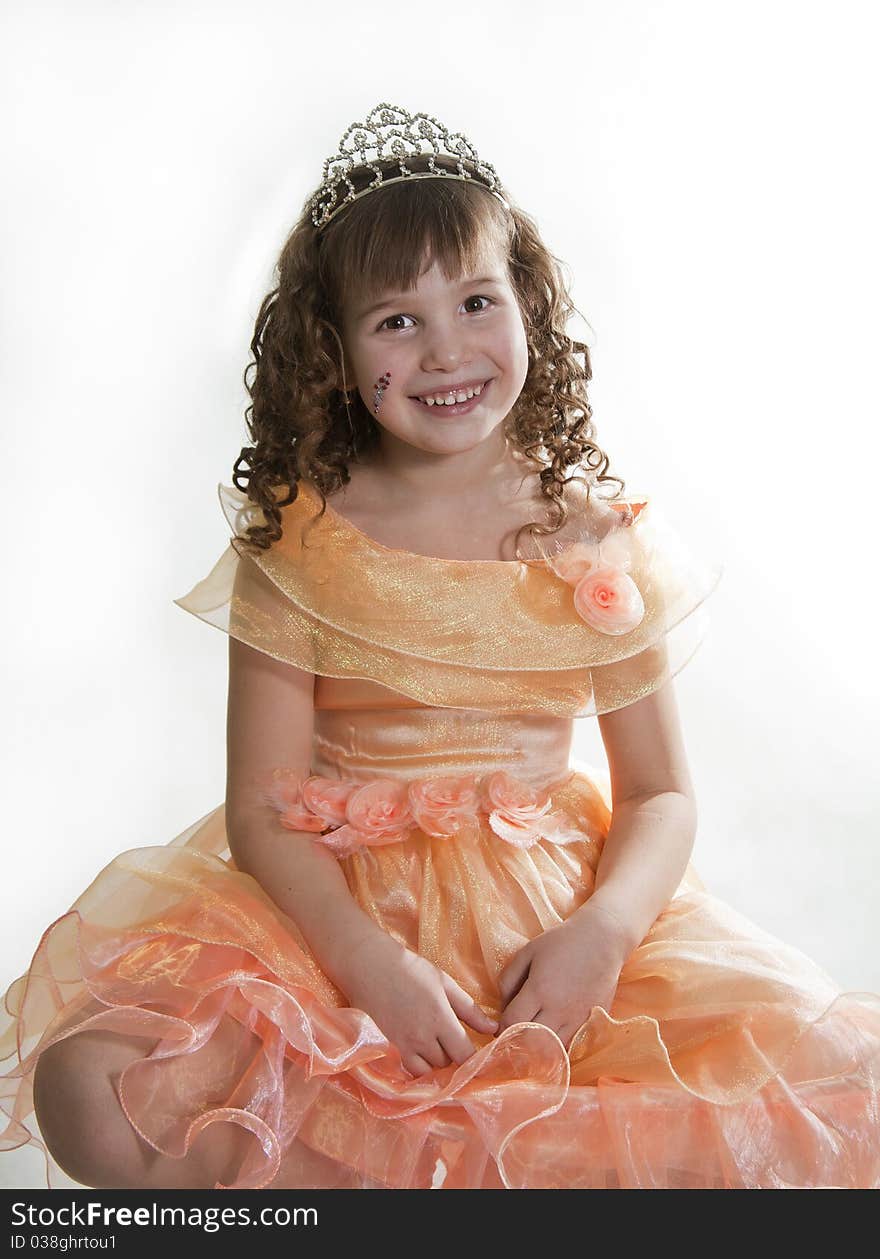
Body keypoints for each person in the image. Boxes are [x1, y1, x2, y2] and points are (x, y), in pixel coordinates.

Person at [2, 102, 879, 1192]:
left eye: (474, 301)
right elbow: (266, 805)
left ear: (529, 308)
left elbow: (659, 793)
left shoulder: (590, 532)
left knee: (815, 1100)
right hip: (339, 906)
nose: (447, 348)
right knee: (90, 1082)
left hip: (548, 914)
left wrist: (600, 935)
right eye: (395, 321)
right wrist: (366, 960)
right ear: (332, 347)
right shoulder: (303, 532)